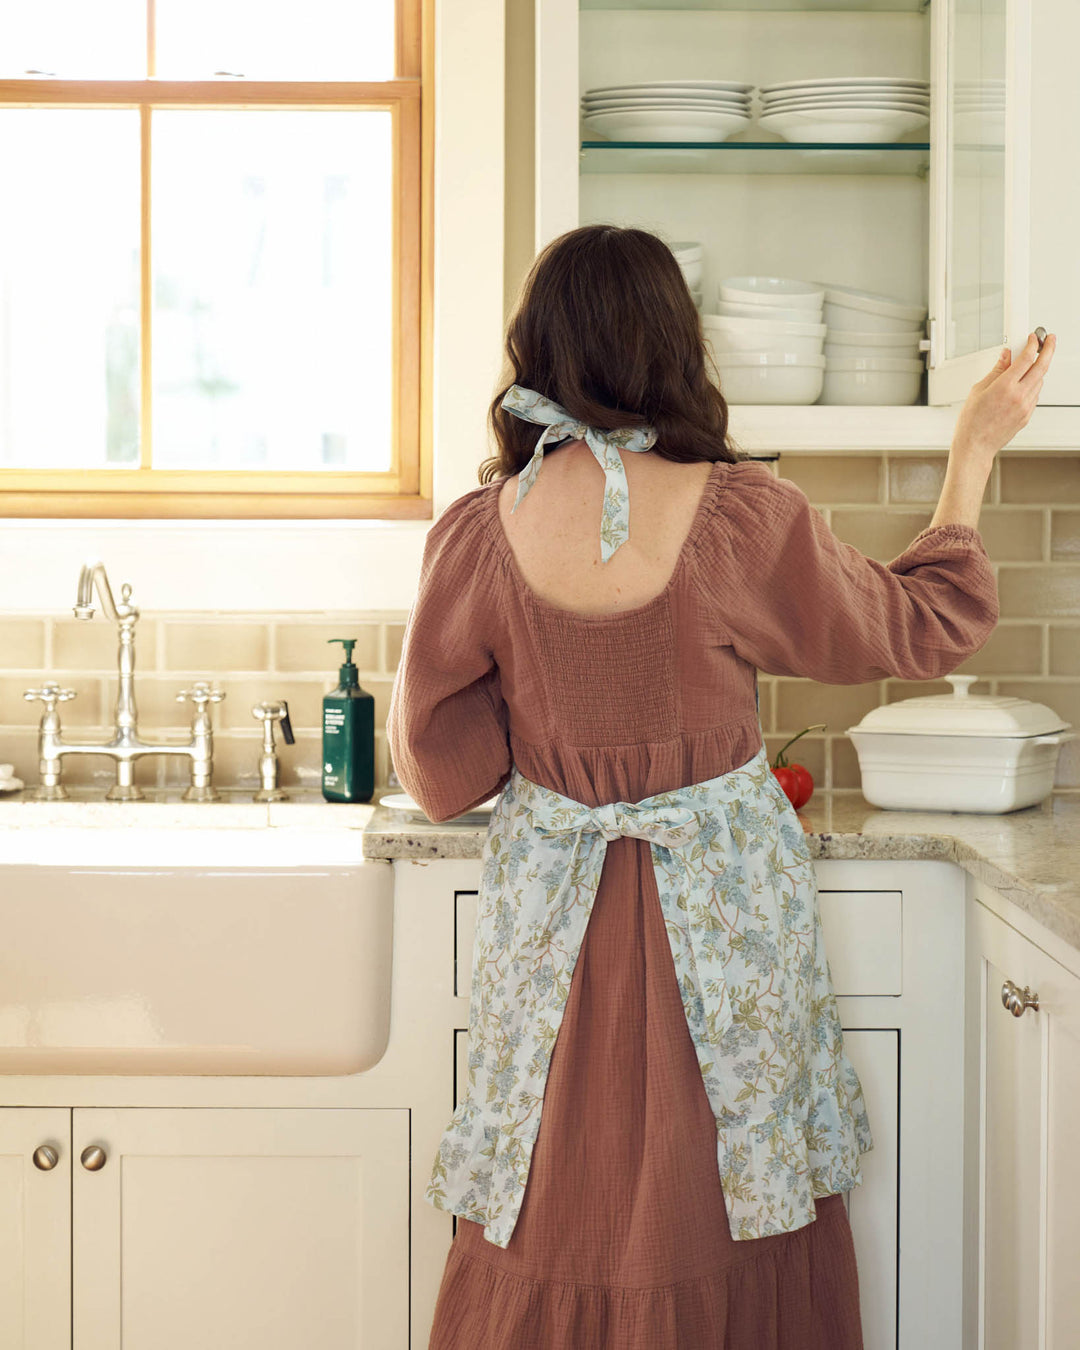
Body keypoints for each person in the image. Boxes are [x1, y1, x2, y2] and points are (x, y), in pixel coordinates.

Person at [386, 224, 1056, 1350]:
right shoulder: (743, 517)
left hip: (557, 933)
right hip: (729, 925)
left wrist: (548, 720)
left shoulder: (476, 536)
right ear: (676, 346)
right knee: (737, 1190)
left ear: (535, 349)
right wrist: (972, 452)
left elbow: (440, 769)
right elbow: (922, 625)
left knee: (551, 1197)